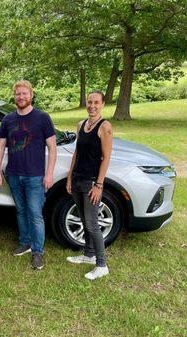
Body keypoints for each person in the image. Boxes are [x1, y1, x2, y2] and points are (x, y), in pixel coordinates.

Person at [0, 80, 56, 270]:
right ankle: (25, 242)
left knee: (35, 214)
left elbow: (52, 148)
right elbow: (0, 146)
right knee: (21, 210)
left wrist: (49, 174)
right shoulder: (8, 119)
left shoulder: (42, 118)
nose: (21, 97)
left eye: (24, 94)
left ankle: (38, 252)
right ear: (14, 96)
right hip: (14, 174)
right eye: (18, 94)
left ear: (31, 95)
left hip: (35, 175)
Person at [65, 90, 113, 280]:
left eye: (96, 103)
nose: (92, 106)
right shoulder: (81, 124)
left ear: (102, 104)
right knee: (85, 221)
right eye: (89, 102)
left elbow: (106, 157)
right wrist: (69, 177)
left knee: (93, 225)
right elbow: (76, 153)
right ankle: (88, 255)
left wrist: (98, 184)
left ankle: (102, 265)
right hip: (77, 179)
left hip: (91, 182)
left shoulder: (105, 126)